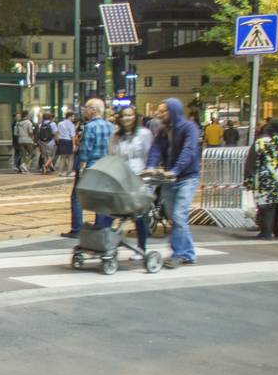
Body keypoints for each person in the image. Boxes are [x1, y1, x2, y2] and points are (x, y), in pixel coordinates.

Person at [146, 97, 201, 266]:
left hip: (187, 177)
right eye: (159, 111)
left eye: (163, 111)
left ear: (174, 111)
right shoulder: (163, 131)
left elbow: (189, 150)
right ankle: (189, 253)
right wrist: (150, 166)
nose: (159, 114)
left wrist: (175, 170)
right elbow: (156, 149)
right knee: (174, 218)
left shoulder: (189, 128)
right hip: (170, 179)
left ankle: (179, 254)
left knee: (178, 216)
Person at [65, 98, 114, 237]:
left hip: (91, 167)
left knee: (77, 197)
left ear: (93, 110)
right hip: (106, 167)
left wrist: (80, 167)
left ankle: (77, 229)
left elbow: (85, 149)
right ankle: (100, 228)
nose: (84, 110)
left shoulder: (90, 127)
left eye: (86, 107)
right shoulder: (110, 126)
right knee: (101, 198)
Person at [108, 106, 154, 250]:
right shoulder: (116, 136)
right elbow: (113, 156)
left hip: (140, 179)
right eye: (123, 116)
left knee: (140, 215)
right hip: (122, 179)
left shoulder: (144, 134)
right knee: (115, 213)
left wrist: (148, 175)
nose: (126, 118)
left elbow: (149, 155)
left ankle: (142, 247)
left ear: (135, 117)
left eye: (129, 115)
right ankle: (109, 243)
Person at [244, 118, 278, 239]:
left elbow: (252, 161)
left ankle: (266, 232)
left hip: (266, 179)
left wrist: (248, 179)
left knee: (267, 207)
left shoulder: (261, 142)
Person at [54, 109, 76, 175]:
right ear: (70, 116)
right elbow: (72, 135)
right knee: (71, 157)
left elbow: (57, 133)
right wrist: (74, 145)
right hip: (68, 141)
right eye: (73, 116)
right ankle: (69, 172)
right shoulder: (71, 124)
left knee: (62, 157)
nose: (74, 118)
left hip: (61, 141)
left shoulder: (60, 123)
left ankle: (60, 172)